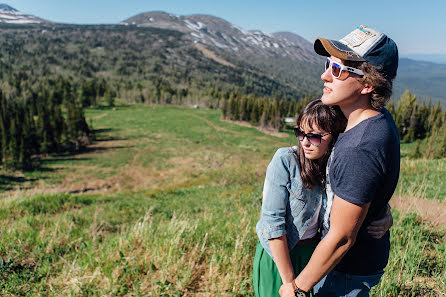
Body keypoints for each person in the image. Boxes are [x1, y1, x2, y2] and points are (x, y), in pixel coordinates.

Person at [279, 25, 400, 297]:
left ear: (367, 85)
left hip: (345, 271)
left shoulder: (359, 147)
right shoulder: (376, 120)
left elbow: (342, 238)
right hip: (357, 264)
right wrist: (379, 209)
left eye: (338, 70)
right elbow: (369, 181)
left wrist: (298, 288)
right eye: (328, 64)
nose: (324, 75)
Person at [253, 100, 393, 297]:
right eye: (300, 133)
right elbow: (272, 225)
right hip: (279, 256)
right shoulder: (285, 160)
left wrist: (385, 214)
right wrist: (290, 284)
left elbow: (361, 196)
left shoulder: (337, 167)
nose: (305, 142)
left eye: (315, 137)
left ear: (335, 137)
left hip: (313, 256)